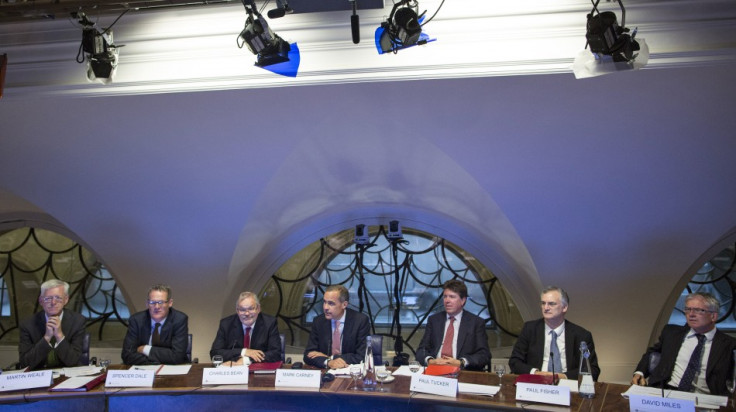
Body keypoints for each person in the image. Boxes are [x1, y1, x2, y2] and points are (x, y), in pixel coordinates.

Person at [631, 292, 736, 395]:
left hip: (706, 397)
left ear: (713, 316)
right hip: (667, 392)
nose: (691, 314)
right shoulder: (671, 333)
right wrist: (639, 372)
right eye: (688, 309)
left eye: (698, 310)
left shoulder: (730, 345)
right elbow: (652, 353)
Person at [509, 286, 600, 380]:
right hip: (535, 385)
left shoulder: (581, 335)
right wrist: (536, 373)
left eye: (551, 304)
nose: (546, 308)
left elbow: (592, 370)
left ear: (564, 307)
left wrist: (562, 377)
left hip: (568, 386)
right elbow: (515, 361)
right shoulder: (530, 329)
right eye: (543, 303)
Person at [416, 279, 491, 371]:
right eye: (445, 297)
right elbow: (421, 351)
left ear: (463, 300)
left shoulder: (476, 323)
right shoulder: (434, 320)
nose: (447, 301)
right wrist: (431, 361)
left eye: (452, 297)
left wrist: (461, 362)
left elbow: (484, 355)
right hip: (435, 371)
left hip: (462, 373)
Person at [19, 279, 87, 370]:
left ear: (66, 300)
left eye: (58, 298)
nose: (53, 303)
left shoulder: (77, 321)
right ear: (41, 301)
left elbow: (73, 361)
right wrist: (47, 337)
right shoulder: (27, 324)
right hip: (39, 375)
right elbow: (25, 363)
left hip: (67, 376)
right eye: (48, 298)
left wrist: (59, 336)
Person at [304, 284, 370, 369]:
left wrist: (330, 358)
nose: (325, 307)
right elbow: (308, 355)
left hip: (351, 373)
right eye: (324, 302)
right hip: (325, 374)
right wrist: (328, 362)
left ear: (344, 305)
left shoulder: (360, 321)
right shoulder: (319, 321)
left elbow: (362, 357)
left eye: (331, 303)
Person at [122, 284, 189, 365]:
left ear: (170, 303)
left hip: (173, 370)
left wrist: (145, 349)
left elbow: (177, 356)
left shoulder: (179, 319)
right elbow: (127, 355)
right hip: (143, 370)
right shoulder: (136, 320)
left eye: (161, 302)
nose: (157, 307)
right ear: (147, 303)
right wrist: (155, 362)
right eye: (152, 302)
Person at [210, 291, 281, 364]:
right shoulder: (226, 324)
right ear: (237, 311)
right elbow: (215, 353)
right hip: (234, 371)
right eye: (242, 310)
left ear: (258, 309)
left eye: (251, 309)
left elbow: (276, 354)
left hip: (258, 371)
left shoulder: (269, 323)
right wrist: (244, 352)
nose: (247, 313)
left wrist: (246, 360)